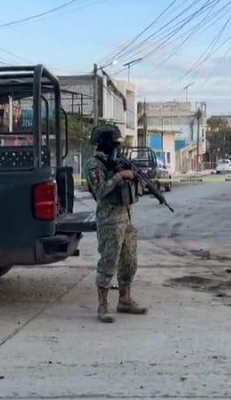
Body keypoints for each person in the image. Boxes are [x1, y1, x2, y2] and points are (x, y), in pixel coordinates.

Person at [85, 124, 148, 323]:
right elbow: (101, 191)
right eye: (113, 143)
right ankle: (102, 306)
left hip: (126, 217)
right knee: (108, 263)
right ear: (103, 143)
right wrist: (120, 176)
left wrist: (136, 177)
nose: (116, 147)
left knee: (129, 261)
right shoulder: (94, 164)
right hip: (109, 220)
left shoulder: (119, 161)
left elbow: (136, 183)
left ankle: (125, 300)